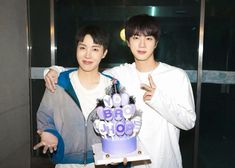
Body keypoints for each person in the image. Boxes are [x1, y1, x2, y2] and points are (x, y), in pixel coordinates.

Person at [44, 14, 196, 168]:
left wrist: (158, 99)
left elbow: (189, 122)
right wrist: (53, 70)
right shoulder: (119, 74)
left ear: (156, 43)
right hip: (130, 163)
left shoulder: (176, 76)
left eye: (148, 38)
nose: (142, 44)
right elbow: (86, 70)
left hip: (165, 162)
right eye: (136, 38)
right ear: (128, 42)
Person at [33, 25, 120, 168]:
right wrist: (49, 132)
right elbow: (45, 116)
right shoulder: (59, 83)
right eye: (83, 47)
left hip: (101, 162)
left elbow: (119, 126)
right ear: (76, 49)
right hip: (67, 163)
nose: (87, 55)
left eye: (95, 49)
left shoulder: (113, 88)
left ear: (104, 53)